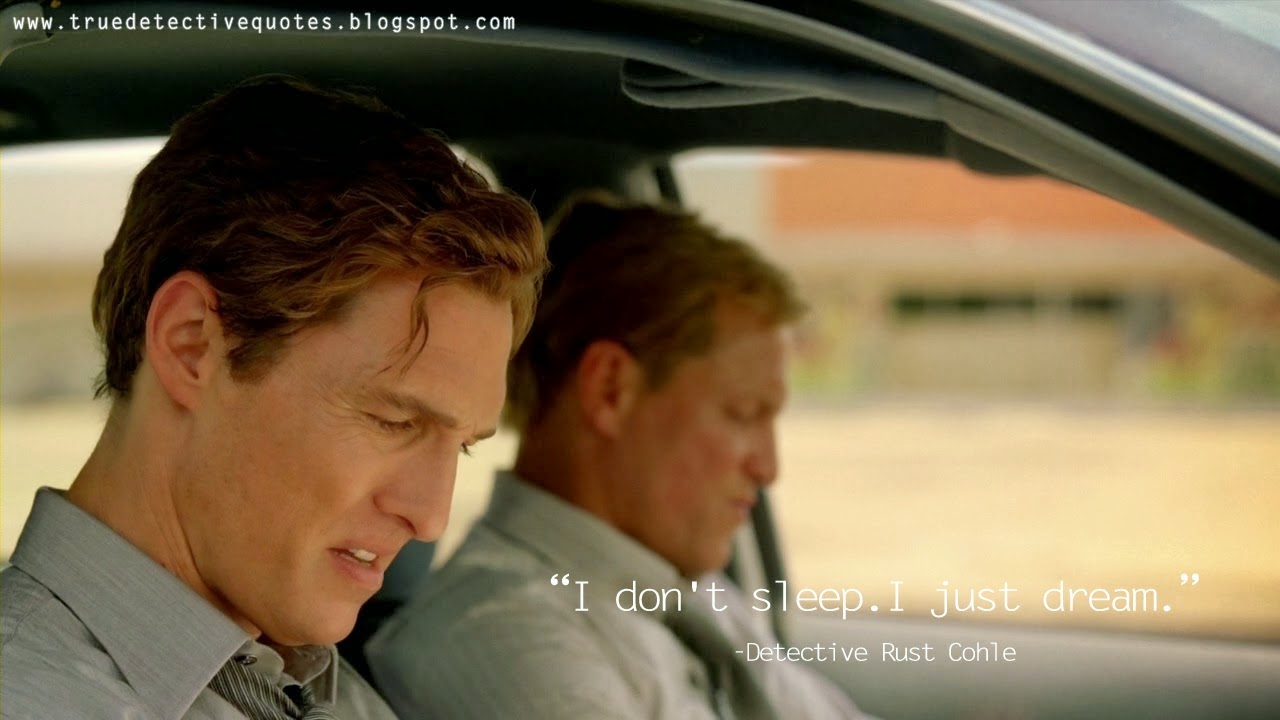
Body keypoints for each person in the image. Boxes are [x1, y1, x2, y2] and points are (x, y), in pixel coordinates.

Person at [0, 77, 546, 719]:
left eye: (464, 447)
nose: (431, 518)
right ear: (190, 345)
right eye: (393, 420)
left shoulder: (315, 687)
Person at [367, 194, 871, 719]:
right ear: (611, 389)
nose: (768, 468)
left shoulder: (696, 596)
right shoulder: (506, 642)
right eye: (742, 414)